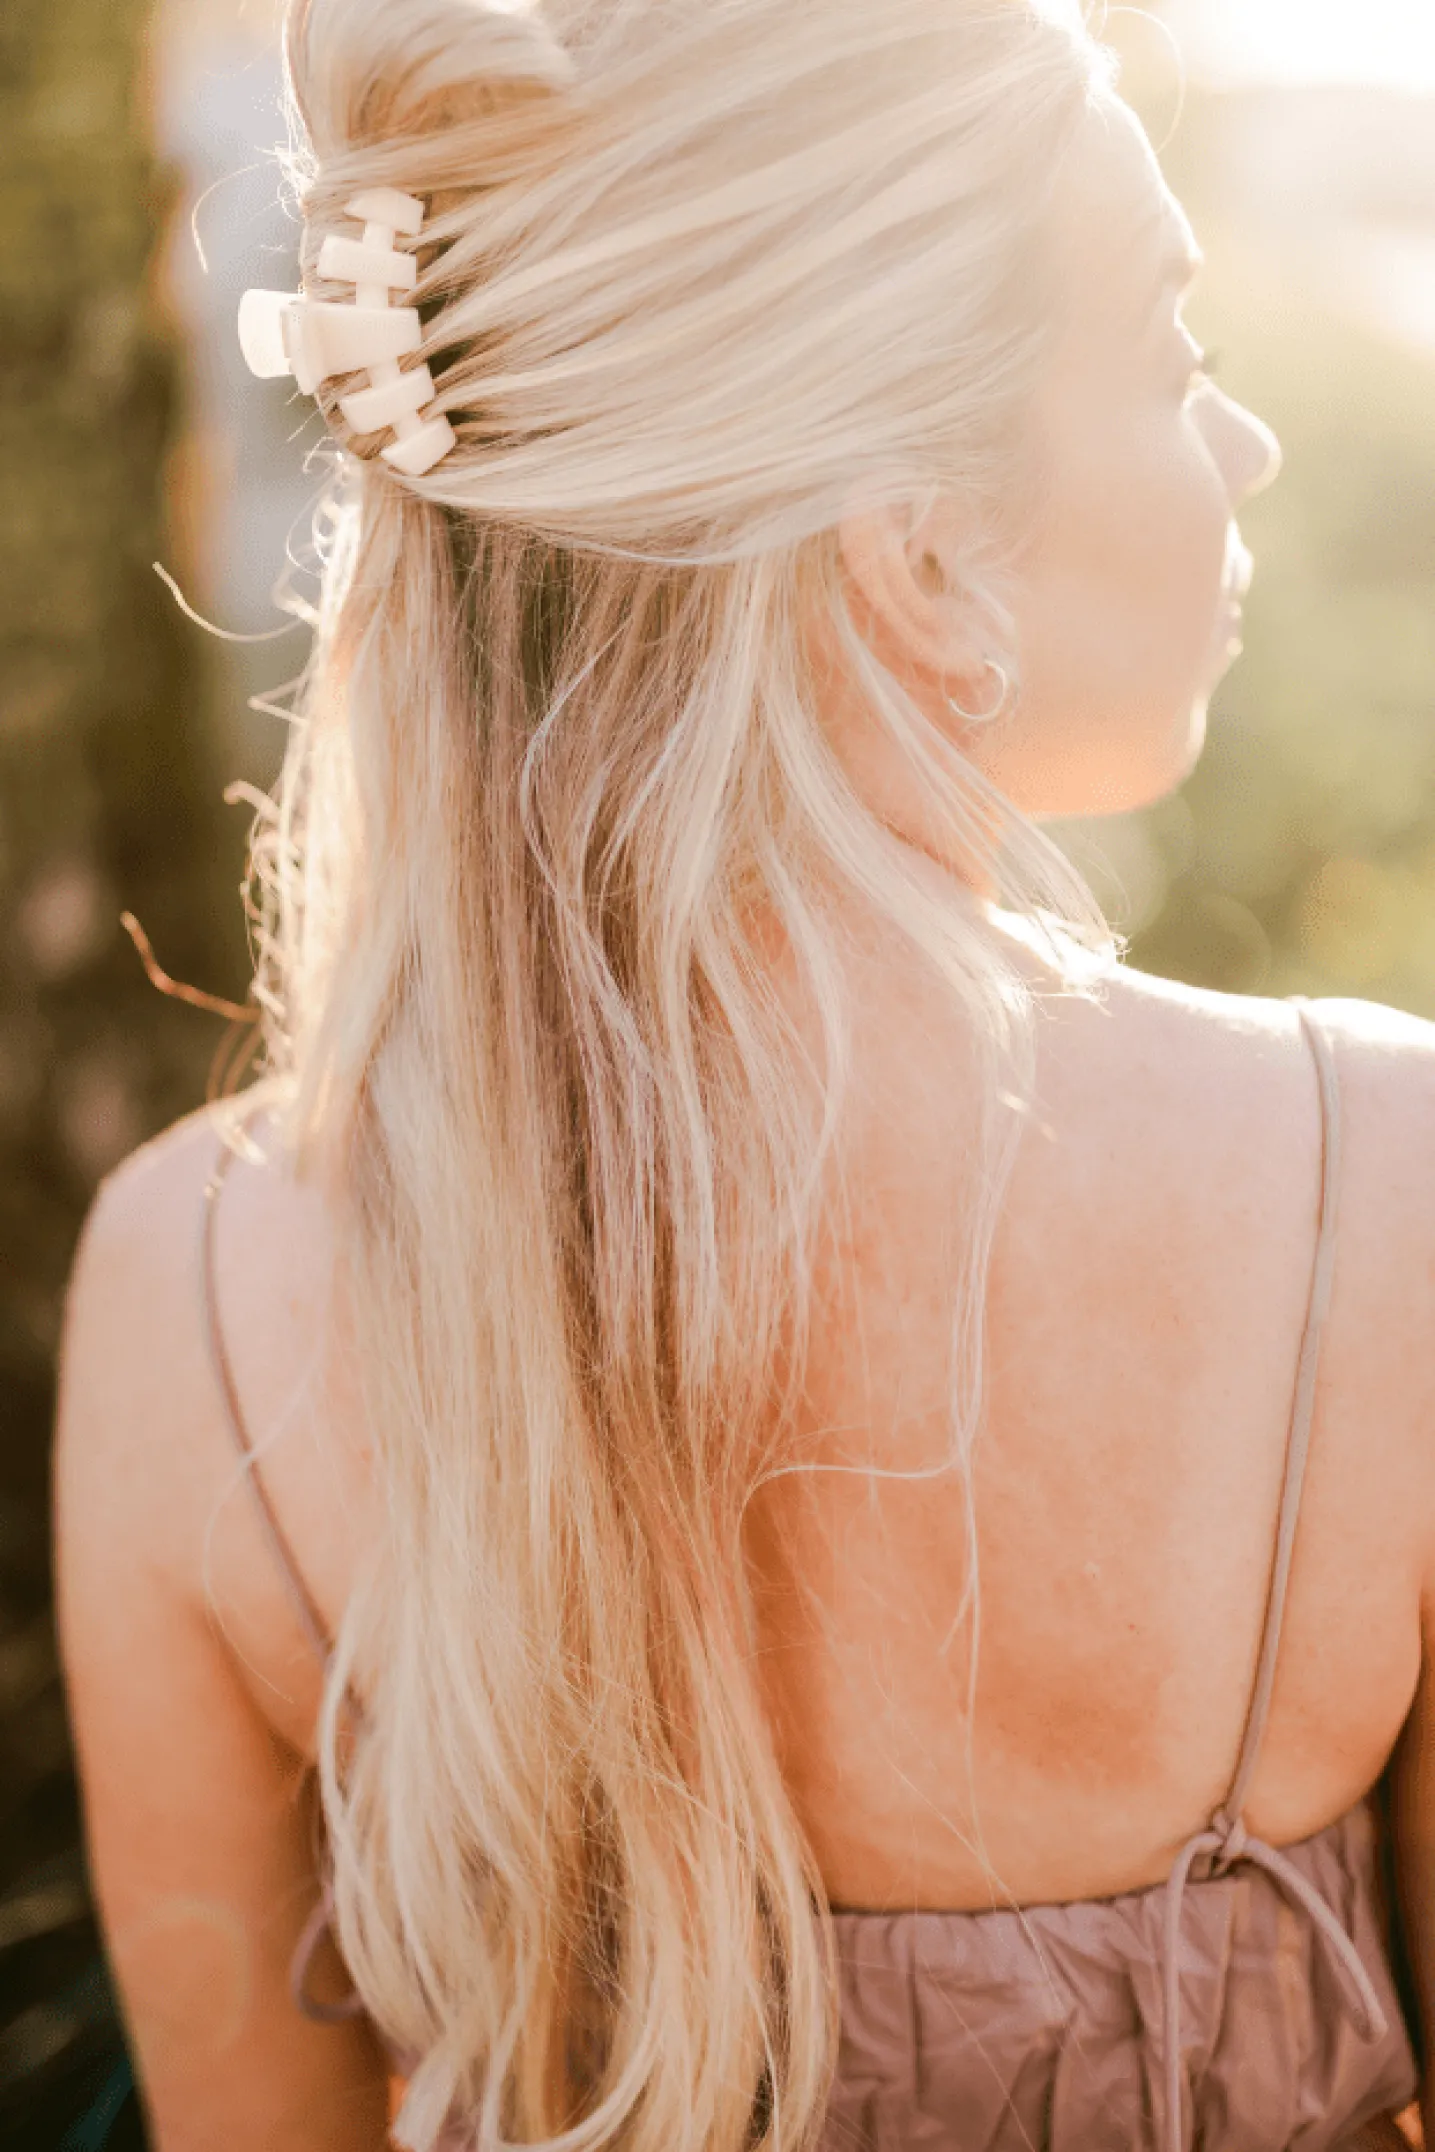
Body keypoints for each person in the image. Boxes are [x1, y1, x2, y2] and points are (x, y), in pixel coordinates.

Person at [51, 0, 1435, 2146]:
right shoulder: (1392, 1210)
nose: (1239, 450)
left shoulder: (183, 1304)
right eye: (1173, 358)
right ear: (914, 564)